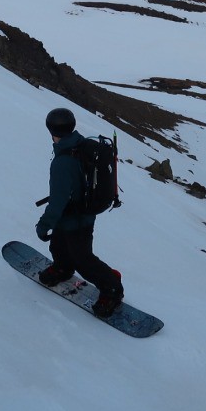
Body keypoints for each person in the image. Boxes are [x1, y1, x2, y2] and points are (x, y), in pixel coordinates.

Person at [35, 107, 125, 318]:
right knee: (58, 245)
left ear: (51, 131)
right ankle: (63, 268)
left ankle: (112, 287)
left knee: (83, 259)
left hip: (76, 219)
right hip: (78, 212)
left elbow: (57, 202)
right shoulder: (80, 144)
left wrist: (43, 225)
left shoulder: (63, 162)